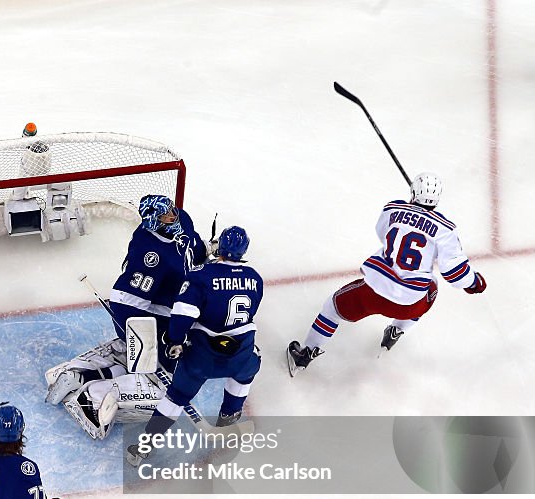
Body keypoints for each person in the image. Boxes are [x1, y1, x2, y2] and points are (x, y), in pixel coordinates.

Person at [287, 173, 487, 376]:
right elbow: (455, 272)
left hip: (372, 293)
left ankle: (306, 353)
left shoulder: (394, 208)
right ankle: (397, 330)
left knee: (332, 308)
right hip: (408, 306)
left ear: (414, 192)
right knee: (431, 285)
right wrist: (474, 283)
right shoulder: (445, 230)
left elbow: (382, 232)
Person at [45, 194, 207, 438]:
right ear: (154, 221)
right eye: (165, 215)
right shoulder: (149, 253)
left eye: (172, 210)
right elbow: (126, 300)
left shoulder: (181, 220)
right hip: (145, 312)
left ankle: (78, 372)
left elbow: (194, 244)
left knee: (147, 357)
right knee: (169, 383)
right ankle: (93, 399)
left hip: (171, 309)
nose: (173, 216)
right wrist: (142, 335)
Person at [126, 226, 263, 466]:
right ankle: (229, 417)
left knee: (176, 397)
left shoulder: (202, 276)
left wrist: (174, 341)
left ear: (220, 247)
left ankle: (144, 448)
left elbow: (182, 315)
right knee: (246, 373)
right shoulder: (255, 278)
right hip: (241, 353)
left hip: (203, 357)